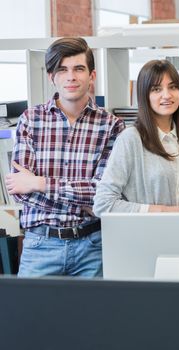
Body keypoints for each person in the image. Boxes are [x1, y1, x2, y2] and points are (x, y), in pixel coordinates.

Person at [5, 37, 125, 277]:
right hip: (40, 246)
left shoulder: (112, 126)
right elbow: (20, 190)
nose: (71, 77)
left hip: (92, 247)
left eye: (78, 69)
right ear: (52, 77)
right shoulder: (31, 119)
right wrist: (86, 201)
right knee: (28, 315)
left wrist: (39, 183)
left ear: (92, 75)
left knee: (93, 315)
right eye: (62, 69)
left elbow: (103, 194)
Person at [93, 60, 179, 215]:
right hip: (144, 235)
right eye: (157, 89)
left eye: (172, 87)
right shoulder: (130, 139)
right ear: (145, 95)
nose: (167, 95)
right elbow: (103, 204)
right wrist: (164, 211)